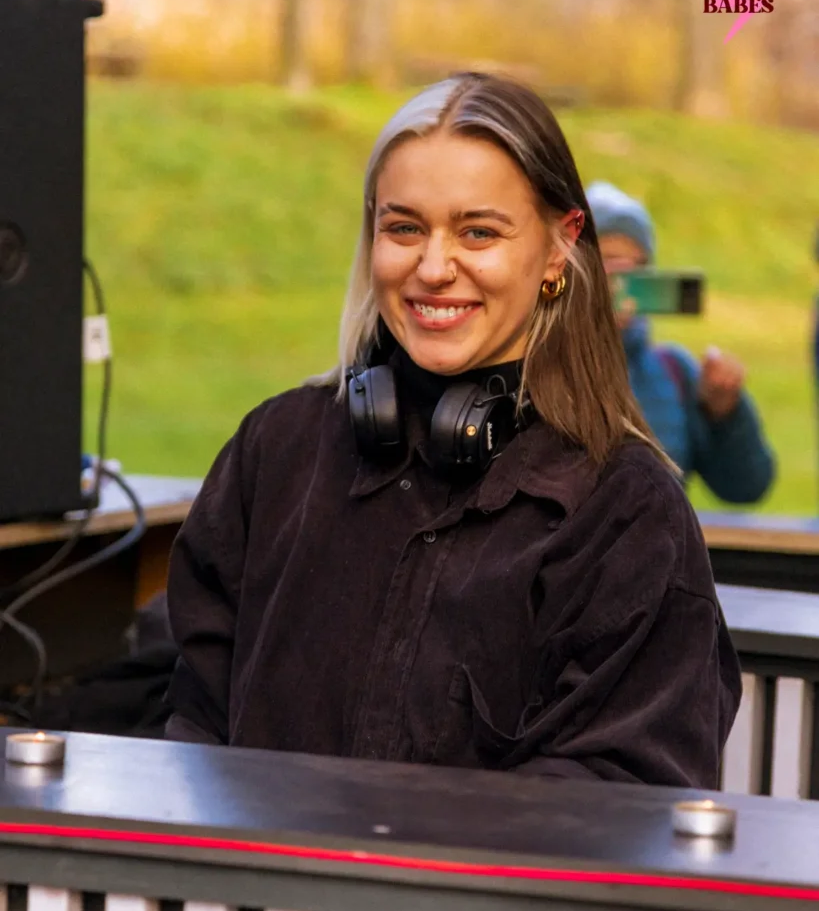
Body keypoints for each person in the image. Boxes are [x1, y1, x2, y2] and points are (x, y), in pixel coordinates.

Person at [164, 73, 740, 788]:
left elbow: (621, 799)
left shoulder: (627, 512)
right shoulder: (273, 453)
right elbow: (192, 722)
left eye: (478, 232)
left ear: (559, 248)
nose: (433, 269)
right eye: (404, 227)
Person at [586, 181, 775, 504]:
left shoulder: (674, 370)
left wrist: (725, 413)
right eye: (612, 263)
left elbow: (747, 487)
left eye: (639, 267)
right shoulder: (537, 368)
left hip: (660, 537)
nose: (626, 280)